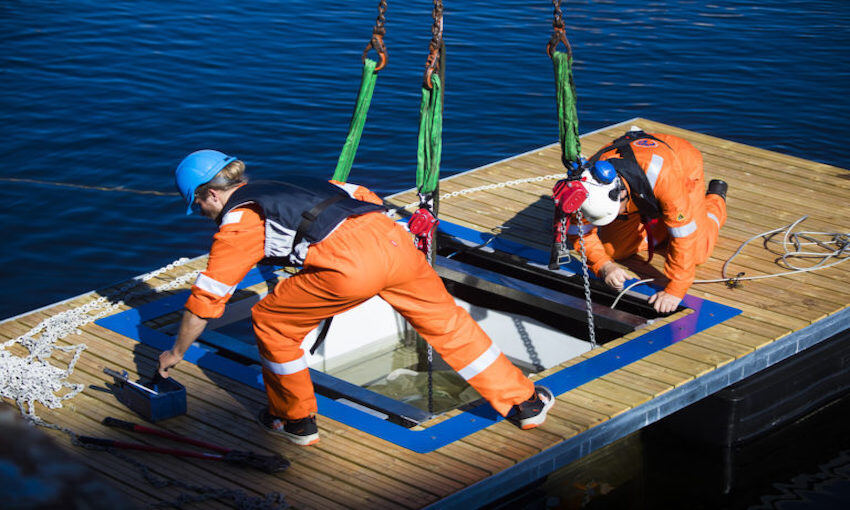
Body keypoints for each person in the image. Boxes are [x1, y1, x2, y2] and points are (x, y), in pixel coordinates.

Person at [157, 149, 554, 446]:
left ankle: (294, 421)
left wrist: (176, 352)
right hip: (394, 241)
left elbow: (207, 299)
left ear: (211, 194)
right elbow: (364, 195)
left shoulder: (239, 220)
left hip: (348, 266)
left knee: (272, 322)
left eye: (198, 205)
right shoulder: (293, 181)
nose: (203, 213)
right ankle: (525, 404)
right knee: (448, 324)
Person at [566, 128, 728, 314]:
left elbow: (684, 235)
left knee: (698, 253)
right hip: (642, 184)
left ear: (622, 194)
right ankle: (663, 225)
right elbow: (578, 232)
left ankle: (716, 199)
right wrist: (604, 266)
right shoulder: (584, 187)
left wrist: (675, 290)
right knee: (614, 251)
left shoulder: (664, 177)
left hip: (682, 165)